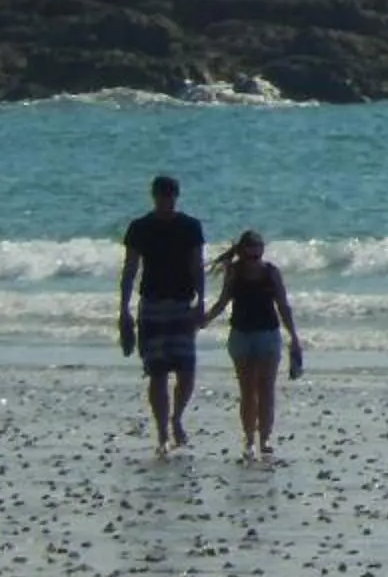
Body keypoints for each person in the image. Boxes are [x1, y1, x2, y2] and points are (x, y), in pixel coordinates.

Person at [118, 173, 207, 453]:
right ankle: (161, 432)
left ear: (176, 196)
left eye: (170, 195)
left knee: (186, 371)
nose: (166, 200)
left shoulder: (190, 226)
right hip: (152, 304)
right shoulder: (140, 227)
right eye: (161, 195)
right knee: (156, 372)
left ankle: (177, 418)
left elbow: (197, 266)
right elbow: (130, 269)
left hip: (182, 302)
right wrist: (124, 310)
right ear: (154, 196)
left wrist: (202, 301)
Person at [202, 230, 304, 464]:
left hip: (268, 335)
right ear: (243, 252)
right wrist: (204, 320)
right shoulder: (235, 272)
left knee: (266, 389)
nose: (254, 259)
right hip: (241, 336)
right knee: (247, 391)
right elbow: (223, 301)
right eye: (250, 254)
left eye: (257, 254)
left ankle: (265, 438)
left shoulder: (271, 273)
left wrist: (294, 338)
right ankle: (249, 439)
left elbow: (283, 306)